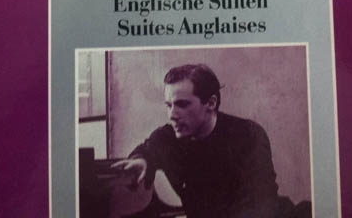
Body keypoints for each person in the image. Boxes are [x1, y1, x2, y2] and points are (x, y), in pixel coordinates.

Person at [113, 64, 302, 218]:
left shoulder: (248, 135)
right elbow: (147, 150)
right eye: (169, 105)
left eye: (182, 104)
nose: (172, 115)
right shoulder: (169, 137)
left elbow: (261, 206)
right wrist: (142, 160)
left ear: (211, 103)